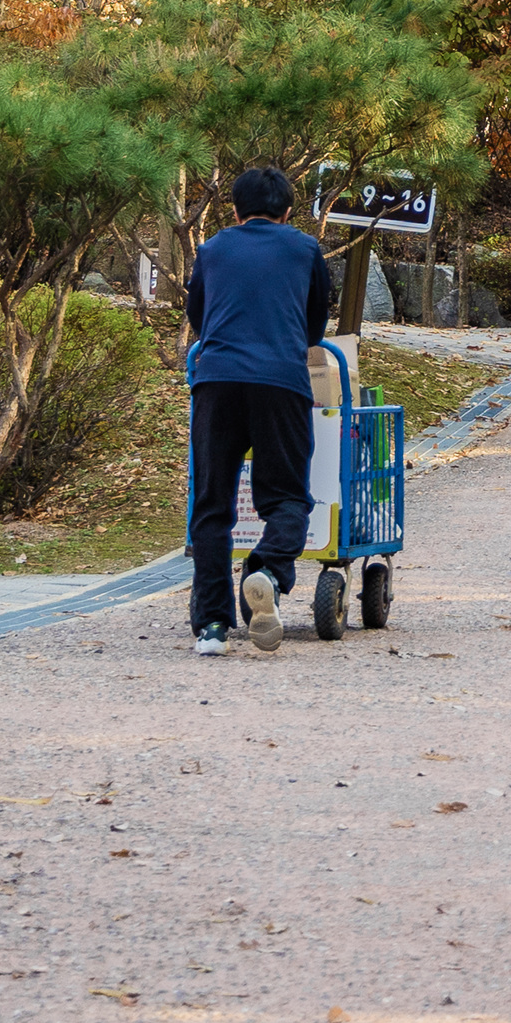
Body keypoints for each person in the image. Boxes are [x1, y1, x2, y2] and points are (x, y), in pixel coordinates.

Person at [184, 164, 337, 657]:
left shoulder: (211, 249)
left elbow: (198, 316)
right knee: (288, 498)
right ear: (288, 211)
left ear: (234, 209)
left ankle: (211, 625)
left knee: (211, 505)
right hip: (281, 384)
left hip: (217, 382)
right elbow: (315, 325)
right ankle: (267, 570)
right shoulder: (305, 248)